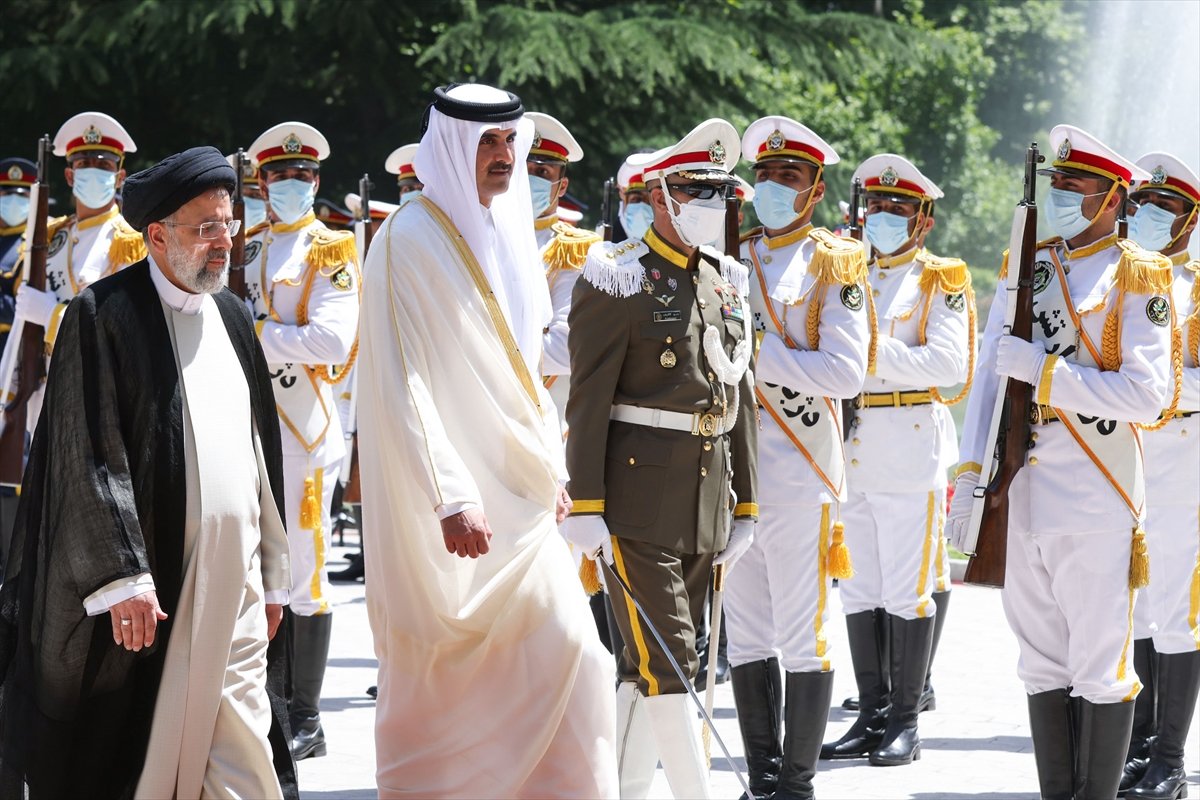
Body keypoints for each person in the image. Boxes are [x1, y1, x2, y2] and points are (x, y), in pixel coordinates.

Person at [0, 146, 296, 800]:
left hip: (239, 589)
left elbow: (258, 457)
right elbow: (86, 452)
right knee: (145, 765)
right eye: (206, 229)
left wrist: (274, 572)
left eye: (228, 225)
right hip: (157, 589)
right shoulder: (103, 314)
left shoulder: (236, 316)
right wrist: (120, 575)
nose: (224, 243)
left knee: (248, 764)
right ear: (157, 236)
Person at [357, 82, 616, 799]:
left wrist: (550, 469)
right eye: (487, 144)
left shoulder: (506, 232)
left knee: (576, 657)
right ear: (449, 146)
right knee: (447, 679)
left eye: (510, 142)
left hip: (523, 499)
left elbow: (523, 371)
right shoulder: (405, 240)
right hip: (448, 505)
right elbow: (398, 379)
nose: (504, 158)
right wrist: (451, 495)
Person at [948, 125, 1171, 799]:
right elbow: (989, 379)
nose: (1066, 194)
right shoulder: (1029, 267)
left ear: (1112, 199)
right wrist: (968, 477)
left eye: (1079, 185)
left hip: (1097, 493)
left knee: (1100, 664)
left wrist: (1047, 375)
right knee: (1039, 661)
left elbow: (1147, 396)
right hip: (1021, 489)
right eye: (1060, 183)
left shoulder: (1140, 275)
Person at [563, 118, 759, 800]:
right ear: (661, 195)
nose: (709, 204)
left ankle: (621, 789)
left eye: (718, 192)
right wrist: (585, 504)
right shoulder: (617, 280)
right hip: (636, 505)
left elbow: (739, 398)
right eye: (694, 189)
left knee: (649, 662)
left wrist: (749, 505)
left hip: (707, 503)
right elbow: (586, 403)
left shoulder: (727, 282)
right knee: (673, 659)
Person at [730, 116, 870, 799]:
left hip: (798, 473)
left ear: (814, 192)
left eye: (788, 178)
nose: (772, 188)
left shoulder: (833, 262)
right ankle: (761, 777)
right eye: (765, 175)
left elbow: (846, 373)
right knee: (744, 634)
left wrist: (757, 355)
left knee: (801, 635)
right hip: (730, 474)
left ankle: (797, 783)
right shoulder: (730, 254)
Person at [823, 153, 973, 767]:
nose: (884, 215)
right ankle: (872, 710)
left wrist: (865, 353)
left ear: (923, 220)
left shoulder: (941, 279)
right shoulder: (846, 270)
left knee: (908, 590)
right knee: (858, 587)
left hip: (909, 442)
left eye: (899, 208)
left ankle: (906, 722)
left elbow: (949, 366)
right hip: (851, 445)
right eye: (877, 206)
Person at [244, 121, 361, 760]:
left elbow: (334, 342)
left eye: (303, 176)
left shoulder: (331, 249)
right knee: (255, 563)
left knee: (305, 568)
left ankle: (305, 713)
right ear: (260, 183)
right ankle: (263, 697)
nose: (291, 186)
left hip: (301, 427)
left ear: (316, 182)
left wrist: (258, 332)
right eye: (279, 176)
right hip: (246, 420)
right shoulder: (248, 245)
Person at [1119, 151, 1199, 800]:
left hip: (1181, 453)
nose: (1148, 215)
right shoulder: (1120, 277)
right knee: (1138, 606)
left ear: (1189, 220)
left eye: (1165, 206)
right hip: (1124, 454)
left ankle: (1169, 760)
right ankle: (1141, 745)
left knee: (1173, 608)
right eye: (1140, 202)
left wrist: (1158, 383)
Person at [9, 112, 145, 434]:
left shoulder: (126, 242)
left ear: (120, 177)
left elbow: (122, 325)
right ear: (70, 176)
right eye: (84, 166)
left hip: (96, 385)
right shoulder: (50, 234)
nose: (93, 173)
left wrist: (51, 315)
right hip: (41, 382)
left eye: (104, 166)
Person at [0, 157, 34, 568]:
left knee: (14, 472)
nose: (12, 201)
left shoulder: (35, 245)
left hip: (16, 369)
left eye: (20, 195)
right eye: (6, 194)